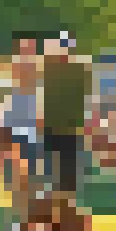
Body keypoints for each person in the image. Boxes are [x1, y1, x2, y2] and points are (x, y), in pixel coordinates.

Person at [41, 41, 91, 193]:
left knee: (64, 163)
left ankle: (65, 192)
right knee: (57, 163)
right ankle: (61, 191)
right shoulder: (53, 71)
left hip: (65, 126)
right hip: (57, 126)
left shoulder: (59, 72)